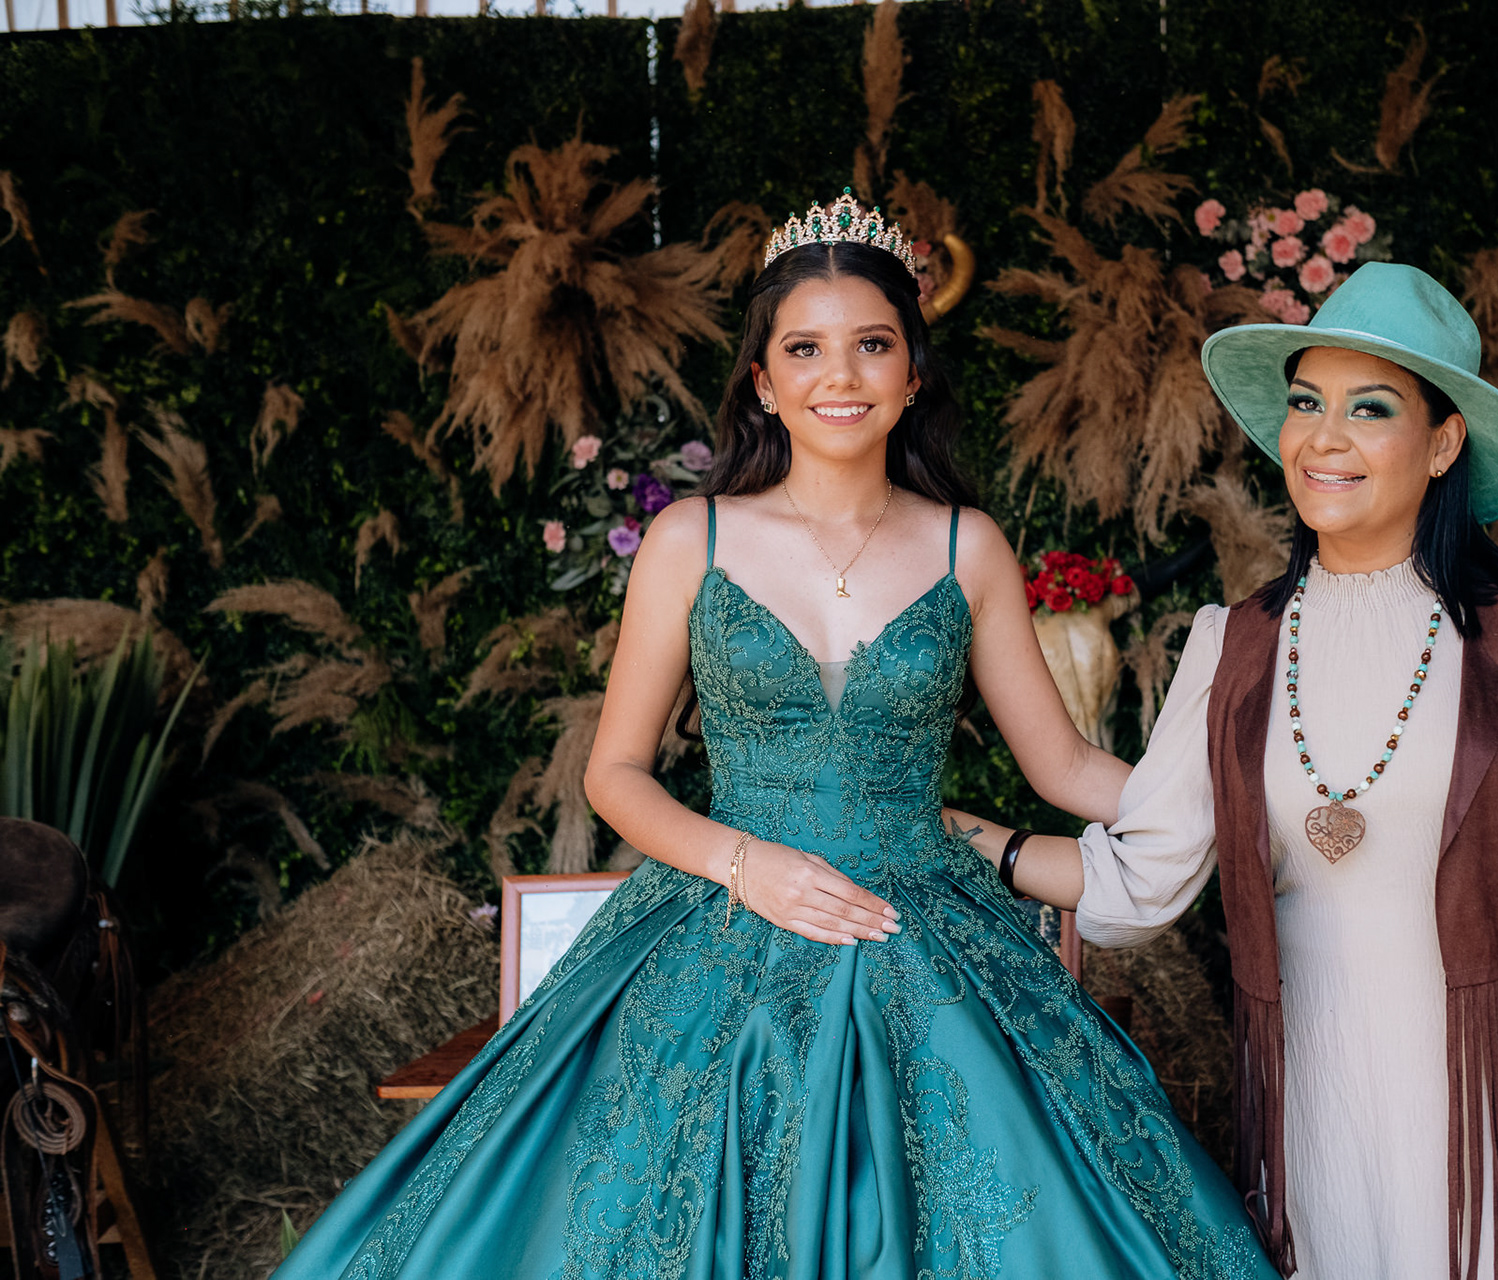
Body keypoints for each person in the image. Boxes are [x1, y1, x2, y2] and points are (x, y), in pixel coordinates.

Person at [273, 191, 1277, 1280]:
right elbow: (616, 772)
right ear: (762, 379)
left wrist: (1239, 798)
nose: (840, 375)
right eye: (805, 348)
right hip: (720, 914)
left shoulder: (968, 545)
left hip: (919, 924)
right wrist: (747, 864)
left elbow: (1065, 764)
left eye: (872, 344)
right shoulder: (690, 540)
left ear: (913, 372)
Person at [944, 262, 1498, 1280]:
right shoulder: (1233, 646)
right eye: (1306, 403)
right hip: (1334, 1108)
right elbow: (1136, 881)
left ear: (1444, 442)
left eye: (1370, 409)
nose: (1324, 438)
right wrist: (943, 833)